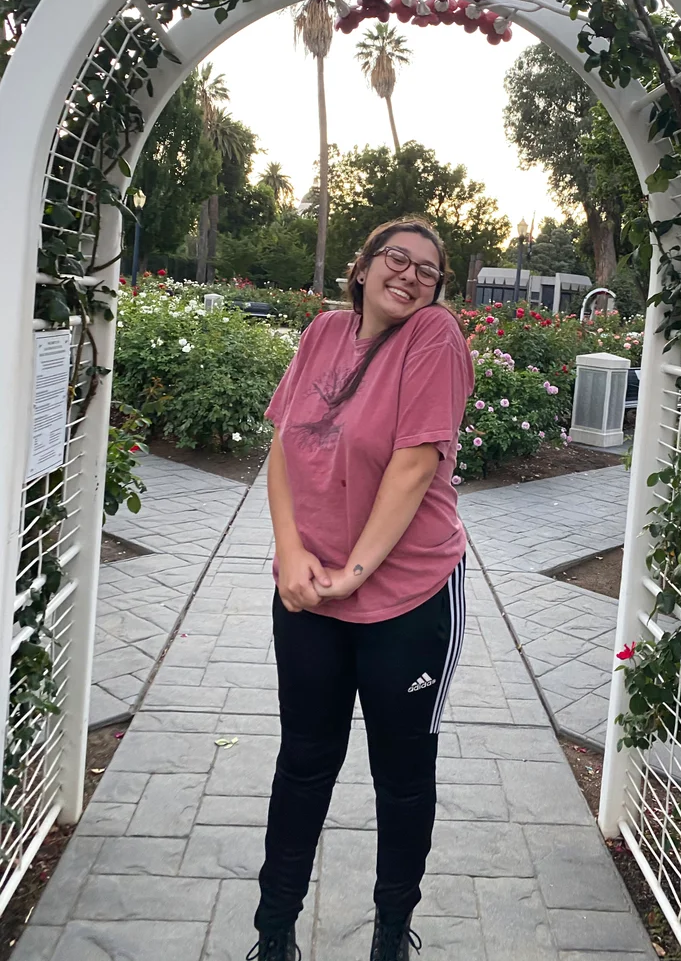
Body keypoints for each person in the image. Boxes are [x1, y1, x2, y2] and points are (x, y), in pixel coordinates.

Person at [248, 218, 475, 961]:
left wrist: (351, 575)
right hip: (308, 592)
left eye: (428, 270)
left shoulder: (433, 336)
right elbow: (282, 444)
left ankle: (390, 932)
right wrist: (288, 551)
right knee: (303, 760)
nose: (410, 275)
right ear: (363, 265)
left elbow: (415, 465)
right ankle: (274, 931)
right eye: (396, 258)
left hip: (407, 596)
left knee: (402, 775)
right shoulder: (321, 333)